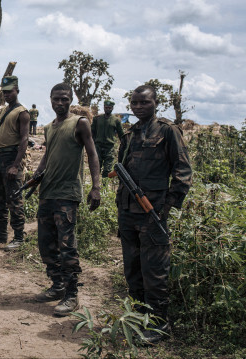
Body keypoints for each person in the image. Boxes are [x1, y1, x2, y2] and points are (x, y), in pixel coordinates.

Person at [117, 85, 192, 344]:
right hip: (128, 212)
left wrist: (166, 206)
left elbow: (183, 172)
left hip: (153, 213)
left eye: (144, 103)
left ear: (155, 103)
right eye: (134, 103)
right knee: (133, 269)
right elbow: (121, 172)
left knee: (154, 272)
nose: (138, 107)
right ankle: (138, 320)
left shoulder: (168, 131)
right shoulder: (129, 135)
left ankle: (159, 326)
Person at [32, 83, 101, 317]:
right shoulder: (50, 127)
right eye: (56, 99)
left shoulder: (80, 123)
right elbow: (47, 155)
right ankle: (57, 285)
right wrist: (37, 175)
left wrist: (96, 187)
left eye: (64, 99)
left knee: (67, 247)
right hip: (47, 193)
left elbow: (92, 154)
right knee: (46, 244)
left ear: (71, 100)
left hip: (67, 195)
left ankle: (72, 295)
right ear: (50, 99)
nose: (60, 103)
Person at [0, 76, 30, 251]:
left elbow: (24, 140)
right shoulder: (5, 111)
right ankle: (1, 232)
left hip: (11, 157)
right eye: (5, 92)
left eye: (10, 91)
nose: (7, 94)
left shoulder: (22, 112)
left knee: (14, 198)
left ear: (17, 90)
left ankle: (18, 237)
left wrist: (16, 165)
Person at [92, 100, 124, 176]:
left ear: (112, 108)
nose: (107, 109)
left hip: (109, 147)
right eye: (106, 107)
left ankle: (104, 186)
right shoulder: (97, 119)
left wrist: (124, 145)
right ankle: (96, 185)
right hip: (98, 146)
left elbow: (121, 134)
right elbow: (92, 132)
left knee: (108, 169)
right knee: (96, 167)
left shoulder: (116, 120)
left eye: (109, 108)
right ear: (103, 107)